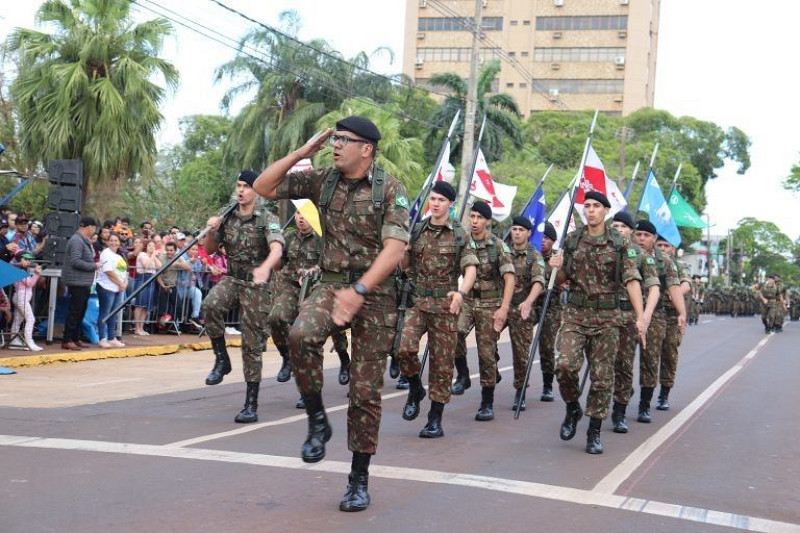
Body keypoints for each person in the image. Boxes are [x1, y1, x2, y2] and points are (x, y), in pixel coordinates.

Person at [253, 116, 409, 512]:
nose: (335, 144)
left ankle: (358, 478)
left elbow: (395, 249)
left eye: (344, 139)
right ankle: (318, 419)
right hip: (331, 282)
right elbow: (263, 187)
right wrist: (301, 154)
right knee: (299, 335)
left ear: (367, 149)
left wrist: (360, 290)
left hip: (375, 293)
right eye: (334, 139)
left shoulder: (389, 189)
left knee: (364, 391)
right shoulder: (322, 179)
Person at [548, 191, 644, 454]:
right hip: (576, 314)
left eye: (596, 206)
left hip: (607, 318)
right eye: (587, 206)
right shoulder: (572, 239)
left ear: (606, 211)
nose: (590, 210)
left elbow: (632, 280)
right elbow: (562, 278)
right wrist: (555, 267)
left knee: (602, 379)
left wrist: (641, 316)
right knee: (566, 365)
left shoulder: (619, 243)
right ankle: (572, 407)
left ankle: (594, 431)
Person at [396, 181, 478, 438]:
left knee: (442, 365)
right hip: (419, 302)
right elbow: (404, 265)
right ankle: (414, 388)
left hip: (445, 305)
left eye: (441, 200)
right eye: (432, 198)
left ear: (450, 204)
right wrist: (403, 249)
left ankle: (434, 418)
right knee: (403, 348)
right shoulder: (417, 229)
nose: (435, 203)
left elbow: (471, 268)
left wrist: (461, 293)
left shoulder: (459, 234)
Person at [202, 170, 284, 425]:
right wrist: (212, 230)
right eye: (238, 185)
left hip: (256, 285)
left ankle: (251, 404)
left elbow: (277, 247)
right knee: (210, 305)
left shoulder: (266, 218)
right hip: (233, 278)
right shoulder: (228, 216)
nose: (241, 191)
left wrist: (266, 267)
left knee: (251, 345)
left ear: (255, 190)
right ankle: (221, 359)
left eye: (246, 186)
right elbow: (209, 249)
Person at [267, 210, 352, 407]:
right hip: (293, 288)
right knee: (276, 318)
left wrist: (316, 270)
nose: (300, 218)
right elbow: (279, 265)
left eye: (305, 214)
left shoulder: (324, 239)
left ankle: (332, 371)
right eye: (297, 213)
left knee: (311, 338)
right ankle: (286, 358)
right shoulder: (287, 237)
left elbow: (334, 263)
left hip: (318, 289)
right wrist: (274, 250)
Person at [450, 200, 515, 422]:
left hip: (490, 303)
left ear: (487, 221)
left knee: (486, 354)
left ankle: (487, 402)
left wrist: (504, 308)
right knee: (455, 333)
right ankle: (463, 375)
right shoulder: (463, 242)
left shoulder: (497, 246)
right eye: (473, 217)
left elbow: (509, 278)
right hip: (468, 300)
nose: (475, 221)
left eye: (479, 218)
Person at [608, 213, 660, 433]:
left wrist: (645, 316)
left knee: (624, 364)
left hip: (629, 317)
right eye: (615, 225)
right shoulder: (602, 249)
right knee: (601, 364)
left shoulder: (640, 255)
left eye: (623, 226)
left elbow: (654, 286)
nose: (618, 229)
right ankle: (616, 393)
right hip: (602, 316)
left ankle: (619, 411)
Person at [502, 215, 545, 411]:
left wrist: (528, 302)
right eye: (514, 229)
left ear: (528, 233)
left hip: (522, 309)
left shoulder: (534, 256)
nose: (517, 233)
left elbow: (538, 281)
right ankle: (491, 369)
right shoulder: (503, 252)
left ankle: (521, 391)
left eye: (521, 230)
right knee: (485, 340)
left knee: (521, 354)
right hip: (501, 306)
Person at [654, 236, 689, 411]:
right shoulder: (649, 260)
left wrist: (674, 293)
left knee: (669, 354)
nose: (662, 248)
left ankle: (664, 393)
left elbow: (686, 284)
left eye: (665, 245)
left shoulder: (678, 265)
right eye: (659, 245)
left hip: (671, 315)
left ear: (672, 249)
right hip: (651, 313)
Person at [61, 217, 99, 351]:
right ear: (89, 227)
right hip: (76, 281)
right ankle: (67, 339)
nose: (95, 231)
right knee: (75, 311)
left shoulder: (83, 241)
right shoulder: (77, 241)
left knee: (81, 311)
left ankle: (75, 338)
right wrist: (94, 266)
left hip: (83, 282)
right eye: (94, 228)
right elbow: (75, 261)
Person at [535, 222, 562, 402]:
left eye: (547, 238)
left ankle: (547, 385)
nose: (543, 241)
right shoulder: (531, 256)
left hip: (550, 306)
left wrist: (555, 268)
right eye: (541, 237)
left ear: (553, 241)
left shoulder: (558, 258)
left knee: (546, 346)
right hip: (531, 303)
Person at [96, 233, 128, 348]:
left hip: (118, 289)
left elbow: (124, 272)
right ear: (107, 242)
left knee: (113, 314)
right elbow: (108, 271)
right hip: (106, 287)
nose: (114, 243)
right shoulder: (105, 253)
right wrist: (120, 283)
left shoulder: (119, 256)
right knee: (105, 313)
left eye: (116, 240)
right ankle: (102, 338)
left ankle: (111, 337)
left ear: (119, 243)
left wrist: (124, 283)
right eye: (112, 240)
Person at [8, 251, 43, 351]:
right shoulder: (19, 270)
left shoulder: (21, 270)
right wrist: (36, 274)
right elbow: (30, 283)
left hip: (21, 298)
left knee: (18, 320)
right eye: (26, 259)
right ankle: (29, 341)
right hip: (21, 298)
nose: (28, 262)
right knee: (31, 319)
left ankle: (13, 341)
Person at [133, 240, 161, 335]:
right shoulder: (142, 254)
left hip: (151, 279)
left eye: (153, 245)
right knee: (140, 304)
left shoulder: (152, 257)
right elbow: (145, 265)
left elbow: (160, 266)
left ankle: (141, 327)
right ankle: (137, 328)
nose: (151, 247)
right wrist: (153, 255)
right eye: (149, 245)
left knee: (146, 306)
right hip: (142, 278)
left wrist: (154, 256)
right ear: (146, 246)